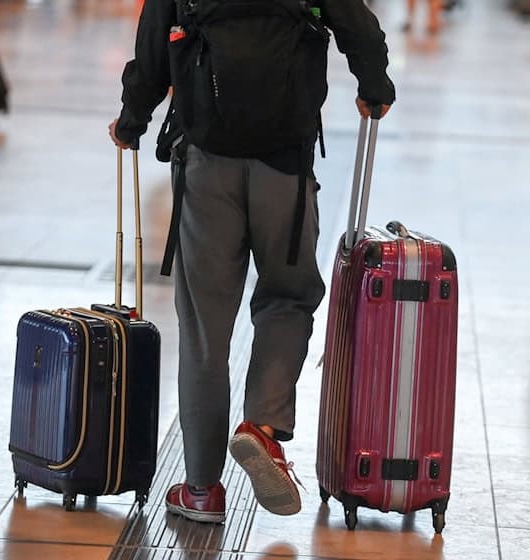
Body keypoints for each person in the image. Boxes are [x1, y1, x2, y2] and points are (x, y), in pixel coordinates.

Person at [108, 0, 395, 523]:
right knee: (288, 297)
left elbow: (152, 49)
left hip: (206, 165)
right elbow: (360, 28)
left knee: (203, 329)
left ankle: (200, 490)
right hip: (284, 168)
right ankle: (262, 425)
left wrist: (131, 121)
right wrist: (375, 88)